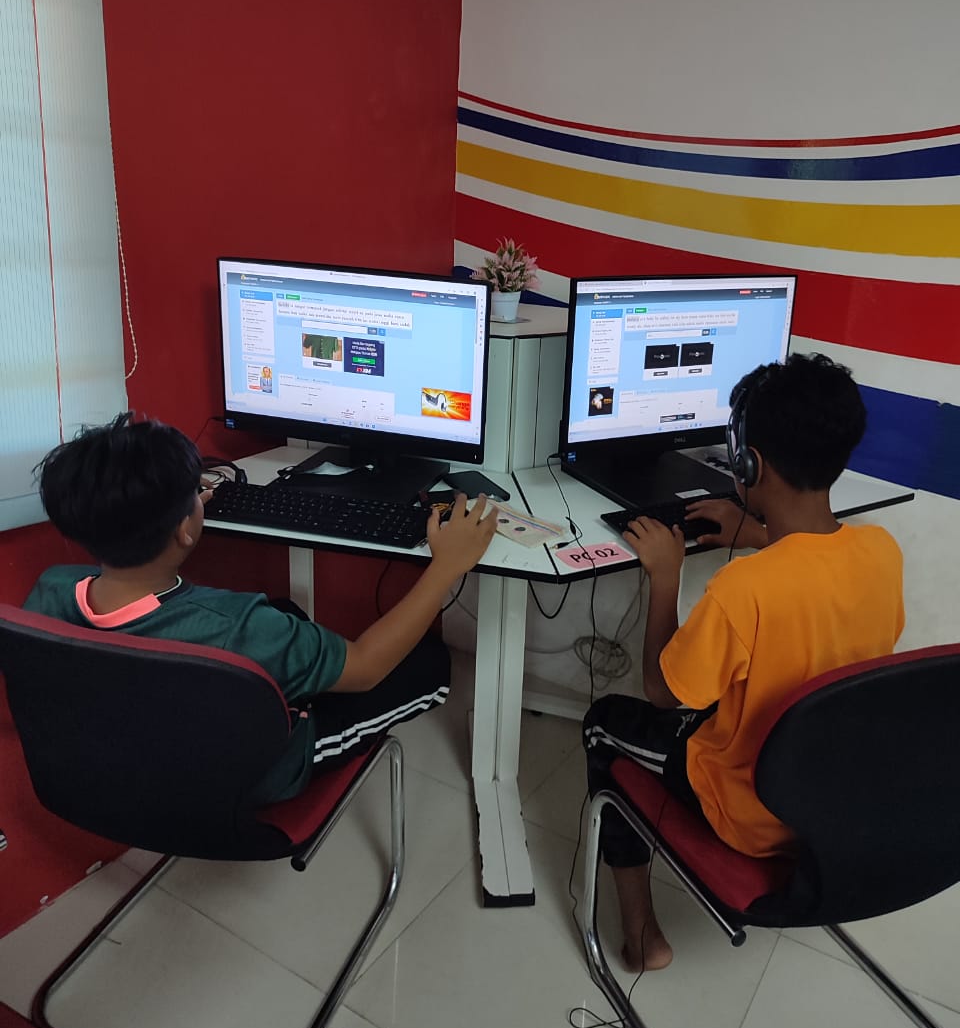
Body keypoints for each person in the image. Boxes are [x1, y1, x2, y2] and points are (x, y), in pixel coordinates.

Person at [583, 353, 904, 972]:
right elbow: (814, 588)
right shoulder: (881, 551)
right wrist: (759, 532)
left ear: (747, 463)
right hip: (830, 798)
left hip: (750, 811)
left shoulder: (745, 589)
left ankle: (642, 937)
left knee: (604, 722)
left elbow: (662, 691)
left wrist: (666, 577)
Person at [26, 413, 497, 803]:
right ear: (184, 529)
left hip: (135, 759)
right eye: (193, 496)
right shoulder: (241, 629)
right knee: (429, 662)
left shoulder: (50, 592)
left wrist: (183, 508)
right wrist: (446, 567)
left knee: (286, 612)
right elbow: (367, 667)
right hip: (257, 772)